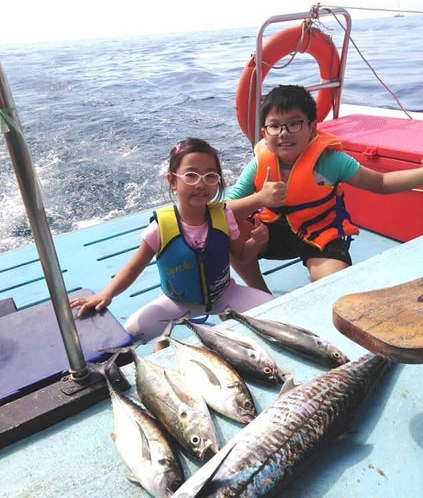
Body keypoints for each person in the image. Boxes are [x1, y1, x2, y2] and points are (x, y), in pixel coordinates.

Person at [227, 85, 423, 292]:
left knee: (336, 286)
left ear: (312, 128)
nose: (284, 133)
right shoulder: (259, 163)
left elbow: (381, 183)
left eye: (294, 124)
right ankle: (261, 295)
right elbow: (222, 209)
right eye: (275, 126)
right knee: (223, 232)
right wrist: (259, 198)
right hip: (270, 234)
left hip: (319, 233)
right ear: (264, 133)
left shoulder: (330, 161)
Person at [70, 137, 273, 345]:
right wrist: (107, 294)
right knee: (131, 333)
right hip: (176, 302)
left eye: (210, 176)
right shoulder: (160, 227)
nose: (201, 184)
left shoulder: (224, 216)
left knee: (272, 309)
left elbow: (241, 255)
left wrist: (255, 243)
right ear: (172, 181)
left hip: (224, 294)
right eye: (191, 175)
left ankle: (225, 316)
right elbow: (132, 269)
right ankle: (163, 340)